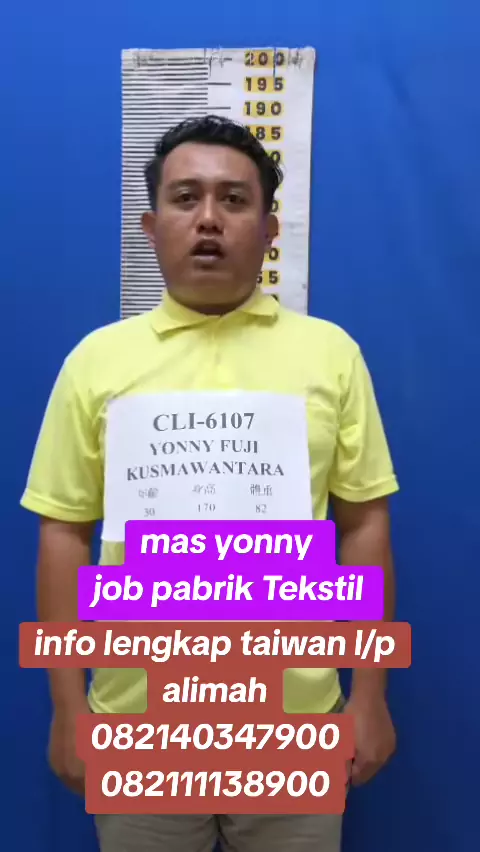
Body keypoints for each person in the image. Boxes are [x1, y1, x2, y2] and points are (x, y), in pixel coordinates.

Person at [21, 115, 399, 852]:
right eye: (185, 197)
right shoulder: (96, 363)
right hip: (138, 727)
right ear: (150, 225)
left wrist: (372, 695)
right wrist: (68, 709)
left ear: (269, 229)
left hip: (294, 724)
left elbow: (364, 525)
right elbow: (63, 532)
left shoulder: (331, 356)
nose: (208, 220)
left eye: (234, 200)